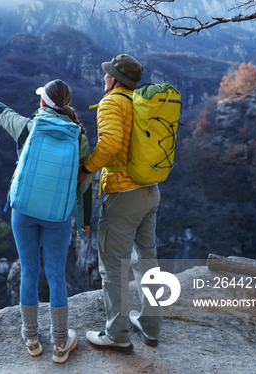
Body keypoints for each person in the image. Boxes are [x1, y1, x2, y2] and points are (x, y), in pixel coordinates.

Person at [0, 80, 92, 364]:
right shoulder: (79, 138)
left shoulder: (28, 127)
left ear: (43, 103)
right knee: (56, 276)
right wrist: (84, 220)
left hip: (23, 211)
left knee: (29, 271)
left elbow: (1, 112)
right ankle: (61, 344)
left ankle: (32, 339)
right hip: (57, 216)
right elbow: (83, 184)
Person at [80, 54, 161, 352]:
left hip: (124, 193)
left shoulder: (113, 102)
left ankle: (117, 334)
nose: (104, 78)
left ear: (116, 80)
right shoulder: (143, 102)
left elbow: (111, 142)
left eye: (107, 74)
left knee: (113, 265)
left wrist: (87, 168)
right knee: (146, 260)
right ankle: (151, 327)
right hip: (150, 190)